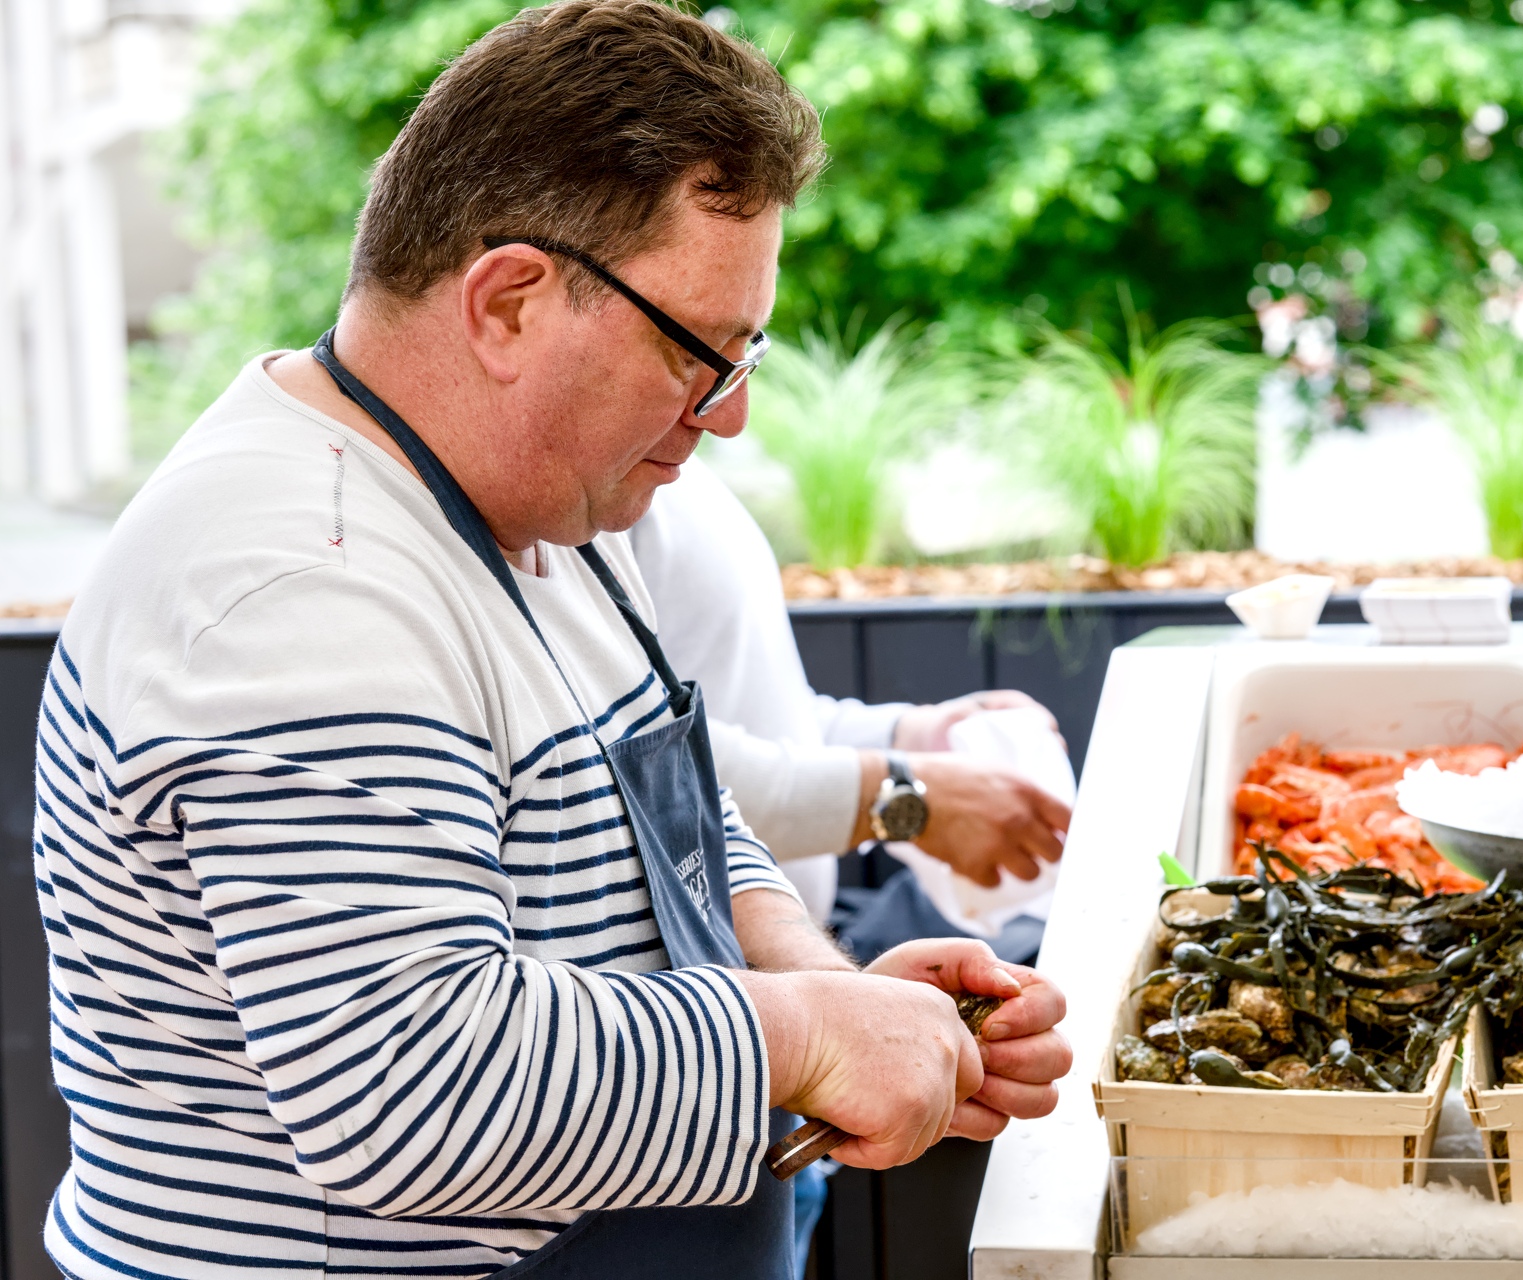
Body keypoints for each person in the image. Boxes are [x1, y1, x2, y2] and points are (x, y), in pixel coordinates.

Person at [31, 5, 1069, 1278]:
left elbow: (675, 810)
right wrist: (800, 1037)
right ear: (511, 302)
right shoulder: (306, 580)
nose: (727, 417)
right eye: (701, 351)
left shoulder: (523, 513)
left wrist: (854, 996)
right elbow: (411, 1089)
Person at [630, 454, 1074, 924]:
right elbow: (648, 763)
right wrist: (908, 796)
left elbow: (741, 710)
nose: (731, 419)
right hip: (706, 976)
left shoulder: (677, 469)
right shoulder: (596, 504)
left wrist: (909, 734)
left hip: (793, 944)